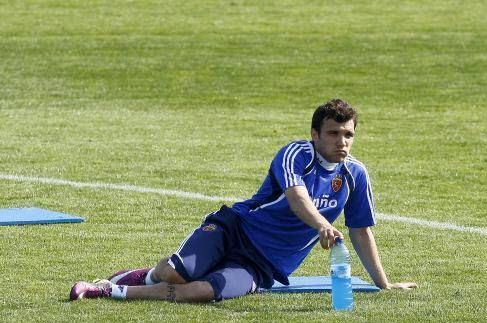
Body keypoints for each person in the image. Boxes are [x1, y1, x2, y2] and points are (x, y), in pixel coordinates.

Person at [69, 99, 417, 303]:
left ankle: (110, 291)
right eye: (333, 133)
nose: (342, 141)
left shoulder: (355, 175)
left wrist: (384, 284)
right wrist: (324, 224)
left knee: (199, 293)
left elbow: (361, 232)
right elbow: (297, 198)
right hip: (233, 230)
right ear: (315, 134)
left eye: (349, 135)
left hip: (261, 265)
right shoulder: (295, 153)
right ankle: (139, 276)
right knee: (173, 273)